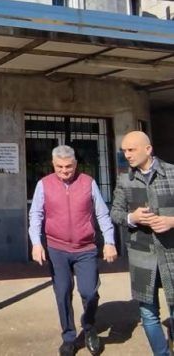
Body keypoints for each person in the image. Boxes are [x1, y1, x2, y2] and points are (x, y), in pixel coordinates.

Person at [29, 145, 117, 356]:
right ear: (53, 164)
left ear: (75, 164)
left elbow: (102, 214)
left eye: (68, 166)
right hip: (57, 248)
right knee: (63, 292)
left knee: (89, 292)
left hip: (85, 248)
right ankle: (69, 337)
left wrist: (110, 241)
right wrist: (36, 243)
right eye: (59, 167)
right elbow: (36, 215)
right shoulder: (44, 184)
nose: (64, 171)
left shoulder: (88, 182)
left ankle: (89, 327)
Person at [111, 131, 174, 356]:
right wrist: (132, 218)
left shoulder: (172, 173)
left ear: (148, 149)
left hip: (171, 253)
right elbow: (115, 213)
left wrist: (171, 221)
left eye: (131, 149)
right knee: (148, 314)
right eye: (124, 150)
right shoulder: (125, 179)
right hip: (141, 256)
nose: (127, 155)